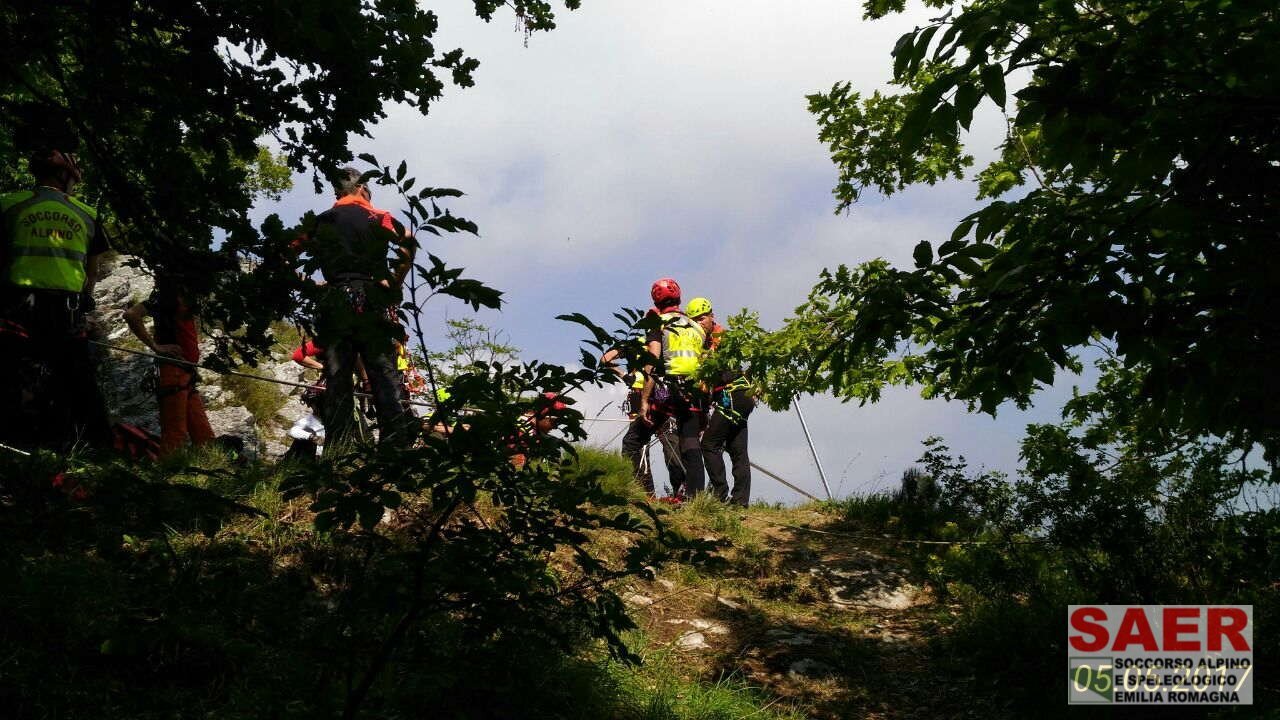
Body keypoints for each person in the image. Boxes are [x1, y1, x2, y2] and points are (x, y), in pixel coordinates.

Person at [297, 167, 416, 455]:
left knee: (339, 378)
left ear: (336, 192)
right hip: (370, 297)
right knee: (382, 373)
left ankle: (338, 450)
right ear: (361, 188)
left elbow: (284, 254)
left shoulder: (321, 222)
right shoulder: (378, 216)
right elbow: (408, 241)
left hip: (335, 299)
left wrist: (312, 287)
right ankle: (395, 448)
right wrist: (393, 284)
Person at [0, 147, 112, 451]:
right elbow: (92, 271)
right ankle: (84, 445)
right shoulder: (87, 214)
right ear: (66, 176)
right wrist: (85, 302)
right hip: (65, 309)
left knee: (12, 373)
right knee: (74, 380)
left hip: (16, 304)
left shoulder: (10, 204)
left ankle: (13, 441)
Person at [621, 278, 707, 499]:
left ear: (655, 301)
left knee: (633, 440)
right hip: (693, 393)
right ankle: (695, 500)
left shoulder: (657, 323)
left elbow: (653, 361)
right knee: (690, 444)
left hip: (667, 391)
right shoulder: (697, 328)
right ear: (679, 298)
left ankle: (632, 493)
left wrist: (644, 401)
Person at [124, 273, 215, 455]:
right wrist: (156, 346)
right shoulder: (166, 298)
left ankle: (212, 467)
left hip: (186, 371)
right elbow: (132, 314)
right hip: (172, 371)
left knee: (202, 432)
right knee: (175, 433)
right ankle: (168, 476)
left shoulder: (183, 299)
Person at [688, 297, 755, 507]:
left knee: (708, 444)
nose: (700, 323)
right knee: (738, 450)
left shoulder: (720, 339)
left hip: (732, 396)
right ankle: (740, 502)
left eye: (702, 318)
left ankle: (720, 494)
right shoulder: (711, 340)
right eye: (695, 321)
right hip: (741, 397)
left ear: (711, 316)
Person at [600, 346, 682, 498]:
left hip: (639, 395)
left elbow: (605, 359)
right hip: (661, 393)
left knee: (640, 444)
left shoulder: (633, 343)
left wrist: (624, 375)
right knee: (668, 441)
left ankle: (644, 491)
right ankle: (677, 490)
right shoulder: (664, 342)